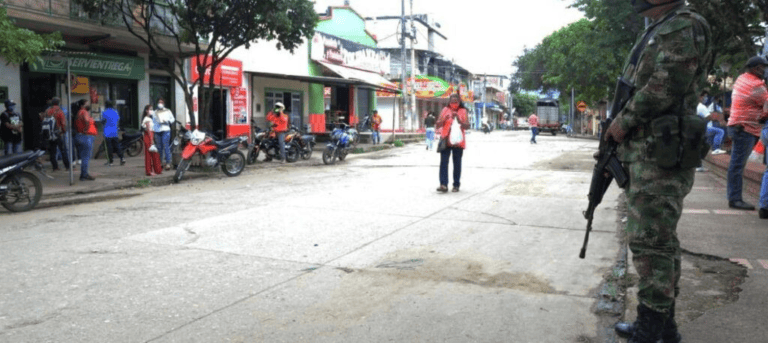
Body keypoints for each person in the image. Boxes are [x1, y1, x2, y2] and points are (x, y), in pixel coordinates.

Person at [605, 1, 711, 343]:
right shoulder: (661, 26)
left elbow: (666, 84)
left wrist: (625, 120)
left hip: (660, 151)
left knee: (651, 242)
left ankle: (650, 330)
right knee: (658, 242)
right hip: (650, 150)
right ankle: (663, 327)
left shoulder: (681, 26)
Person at [726, 56, 768, 211]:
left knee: (735, 164)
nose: (765, 70)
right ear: (755, 68)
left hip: (737, 125)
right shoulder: (756, 85)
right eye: (763, 67)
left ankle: (734, 197)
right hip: (745, 128)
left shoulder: (741, 79)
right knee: (737, 165)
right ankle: (735, 199)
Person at [435, 93, 469, 193]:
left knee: (457, 164)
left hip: (458, 142)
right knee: (443, 163)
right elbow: (437, 124)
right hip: (445, 140)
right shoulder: (445, 110)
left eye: (456, 101)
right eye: (452, 100)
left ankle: (456, 185)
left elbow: (467, 126)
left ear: (459, 102)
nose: (454, 102)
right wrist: (444, 119)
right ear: (449, 101)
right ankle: (443, 184)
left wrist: (459, 120)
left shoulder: (463, 111)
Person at [695, 91, 726, 173]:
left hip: (695, 129)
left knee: (698, 146)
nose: (705, 98)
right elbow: (709, 117)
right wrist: (717, 119)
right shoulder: (701, 107)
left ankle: (698, 165)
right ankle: (716, 148)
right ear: (700, 97)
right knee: (719, 132)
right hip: (704, 128)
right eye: (704, 96)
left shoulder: (694, 106)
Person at [42, 97, 72, 171]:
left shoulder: (47, 111)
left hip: (49, 133)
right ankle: (67, 166)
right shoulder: (59, 111)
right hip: (57, 133)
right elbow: (63, 123)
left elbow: (43, 120)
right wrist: (63, 131)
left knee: (52, 151)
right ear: (58, 103)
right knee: (62, 150)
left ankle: (55, 167)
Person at [74, 99, 98, 181]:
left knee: (84, 157)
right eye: (87, 103)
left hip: (81, 136)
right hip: (86, 136)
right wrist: (85, 130)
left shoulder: (79, 112)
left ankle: (84, 174)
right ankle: (84, 174)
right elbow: (87, 121)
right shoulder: (84, 112)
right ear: (82, 105)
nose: (89, 105)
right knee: (86, 157)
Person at [102, 100, 125, 166]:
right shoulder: (115, 111)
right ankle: (122, 158)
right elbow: (118, 120)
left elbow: (103, 121)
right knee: (117, 146)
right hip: (115, 131)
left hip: (107, 132)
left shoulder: (104, 112)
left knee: (109, 147)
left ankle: (110, 161)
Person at [141, 105, 163, 176]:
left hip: (151, 136)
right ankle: (149, 171)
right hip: (149, 137)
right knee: (149, 155)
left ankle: (157, 170)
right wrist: (151, 140)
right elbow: (148, 130)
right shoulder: (146, 119)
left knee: (155, 154)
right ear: (146, 111)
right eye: (150, 109)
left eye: (152, 109)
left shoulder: (150, 119)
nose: (151, 110)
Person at [154, 98, 174, 170]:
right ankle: (160, 163)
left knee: (166, 146)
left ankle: (168, 163)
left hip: (166, 130)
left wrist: (167, 121)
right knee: (159, 147)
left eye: (161, 102)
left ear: (164, 103)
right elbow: (153, 122)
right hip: (157, 130)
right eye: (159, 102)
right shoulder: (155, 112)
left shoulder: (167, 111)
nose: (160, 103)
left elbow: (172, 119)